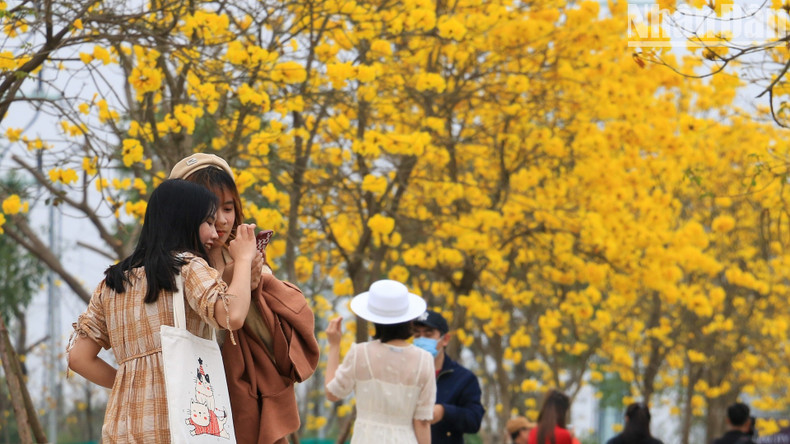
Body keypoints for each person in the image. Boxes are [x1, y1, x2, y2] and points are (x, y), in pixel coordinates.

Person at [67, 179, 258, 442]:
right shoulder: (188, 267)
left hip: (123, 428)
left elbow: (78, 358)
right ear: (185, 220)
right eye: (208, 222)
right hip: (177, 426)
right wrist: (245, 258)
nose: (215, 233)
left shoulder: (112, 284)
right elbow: (232, 315)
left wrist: (129, 384)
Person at [169, 153, 320, 444]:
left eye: (228, 208)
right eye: (208, 210)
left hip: (242, 396)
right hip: (192, 394)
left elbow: (273, 333)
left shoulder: (243, 257)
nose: (221, 220)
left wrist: (253, 281)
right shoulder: (174, 265)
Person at [325, 279, 436, 444]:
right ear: (409, 319)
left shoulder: (360, 353)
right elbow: (422, 422)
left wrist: (334, 346)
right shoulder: (424, 360)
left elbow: (332, 393)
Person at [412, 309, 485, 443]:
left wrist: (444, 412)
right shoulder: (405, 372)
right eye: (417, 335)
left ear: (445, 339)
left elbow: (474, 420)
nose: (421, 339)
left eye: (428, 334)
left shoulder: (464, 379)